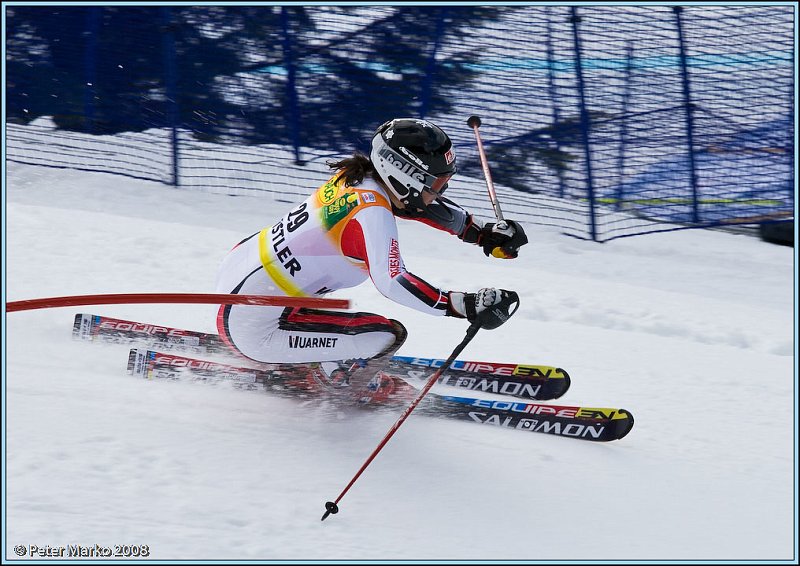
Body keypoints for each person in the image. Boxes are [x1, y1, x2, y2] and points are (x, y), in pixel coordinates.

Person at [214, 118, 528, 395]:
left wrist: (479, 233)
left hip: (238, 281)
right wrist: (464, 305)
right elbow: (393, 281)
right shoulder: (373, 213)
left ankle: (311, 352)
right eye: (437, 184)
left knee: (321, 289)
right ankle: (335, 383)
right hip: (256, 329)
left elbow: (415, 205)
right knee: (384, 335)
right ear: (405, 177)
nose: (441, 192)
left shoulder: (358, 179)